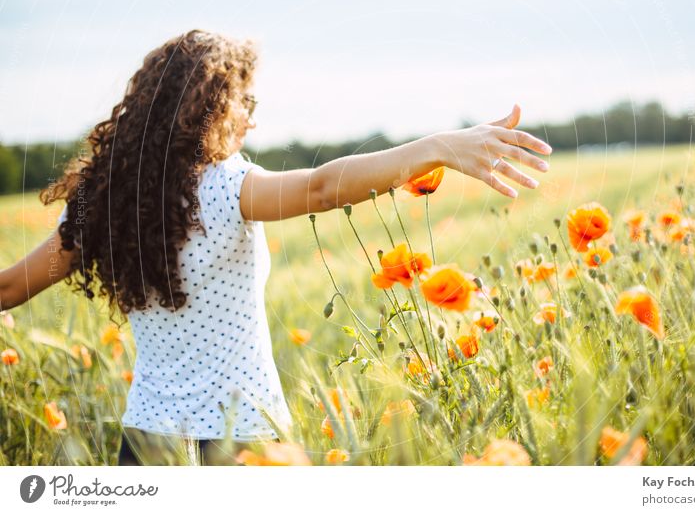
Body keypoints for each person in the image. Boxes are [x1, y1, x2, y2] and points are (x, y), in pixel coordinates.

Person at [0, 29, 551, 465]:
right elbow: (319, 187)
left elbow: (8, 287)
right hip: (242, 442)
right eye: (245, 100)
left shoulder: (99, 204)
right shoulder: (222, 186)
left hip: (147, 448)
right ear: (210, 107)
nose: (253, 115)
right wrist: (439, 147)